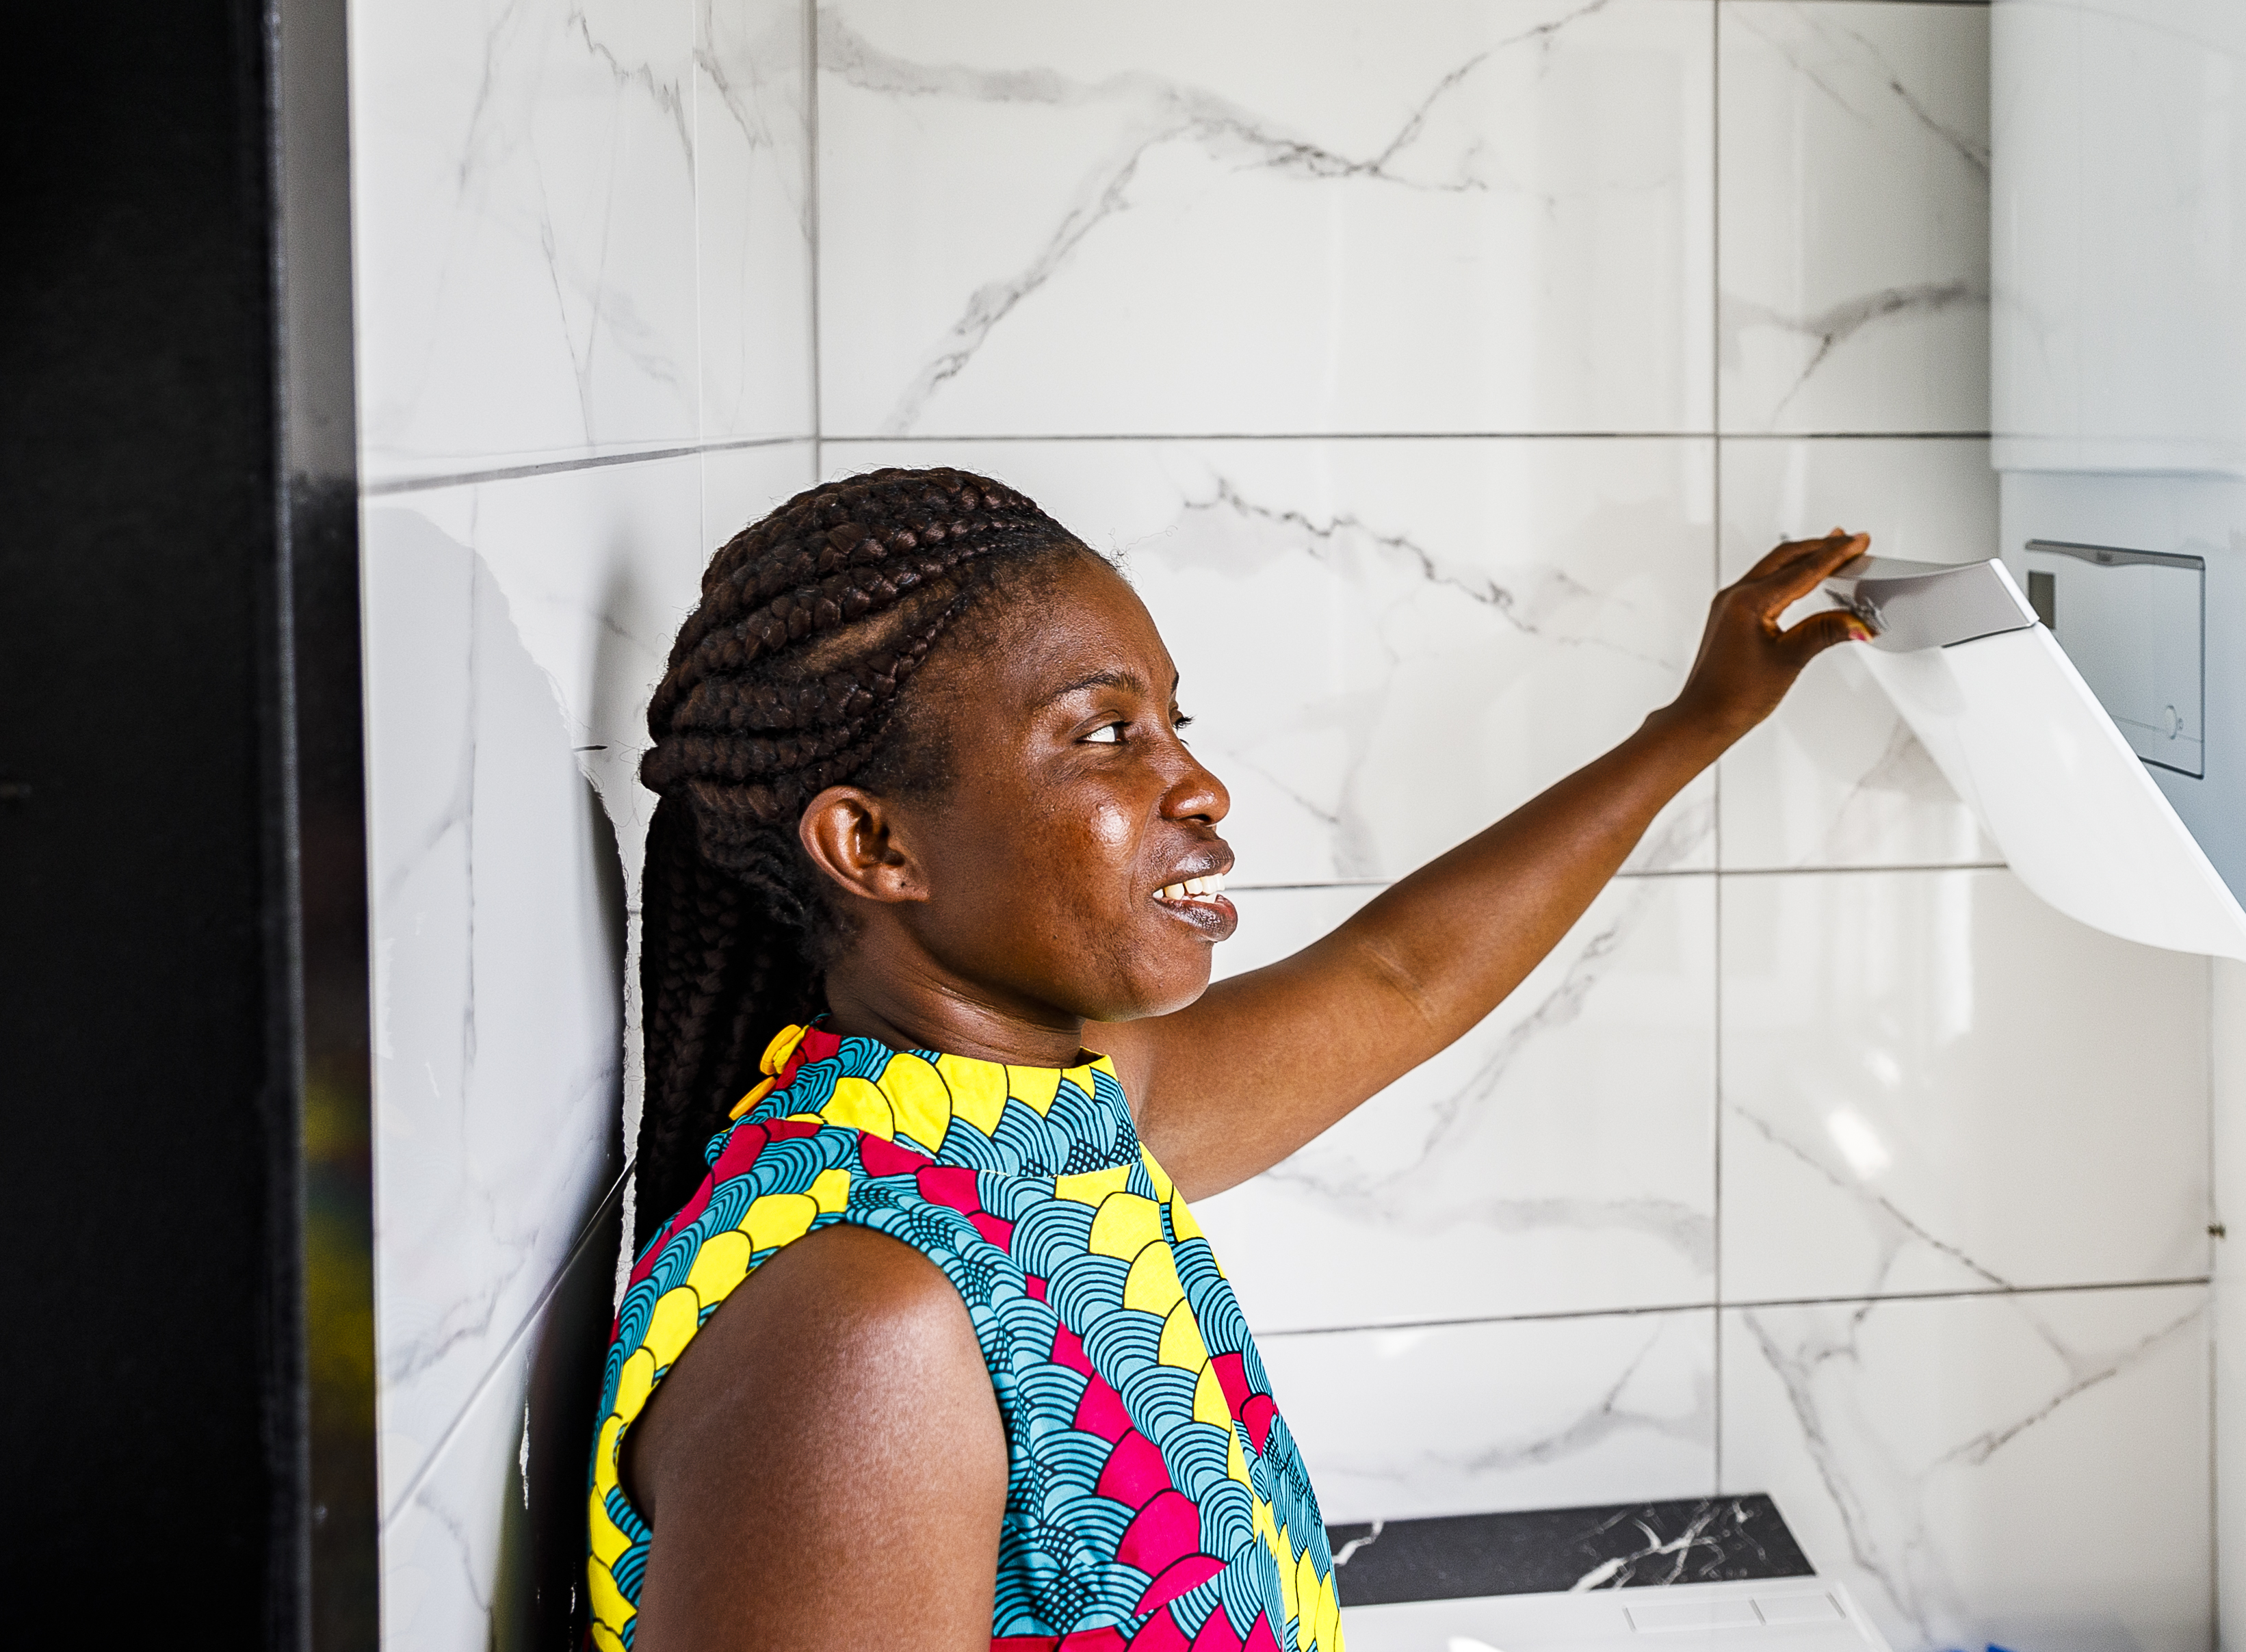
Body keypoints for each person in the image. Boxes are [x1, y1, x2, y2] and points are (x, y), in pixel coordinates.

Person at [590, 464, 1873, 1652]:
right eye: (1102, 733)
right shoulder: (862, 1336)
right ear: (875, 849)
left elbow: (1400, 981)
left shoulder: (1030, 1120)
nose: (1197, 782)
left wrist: (1695, 724)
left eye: (1170, 720)